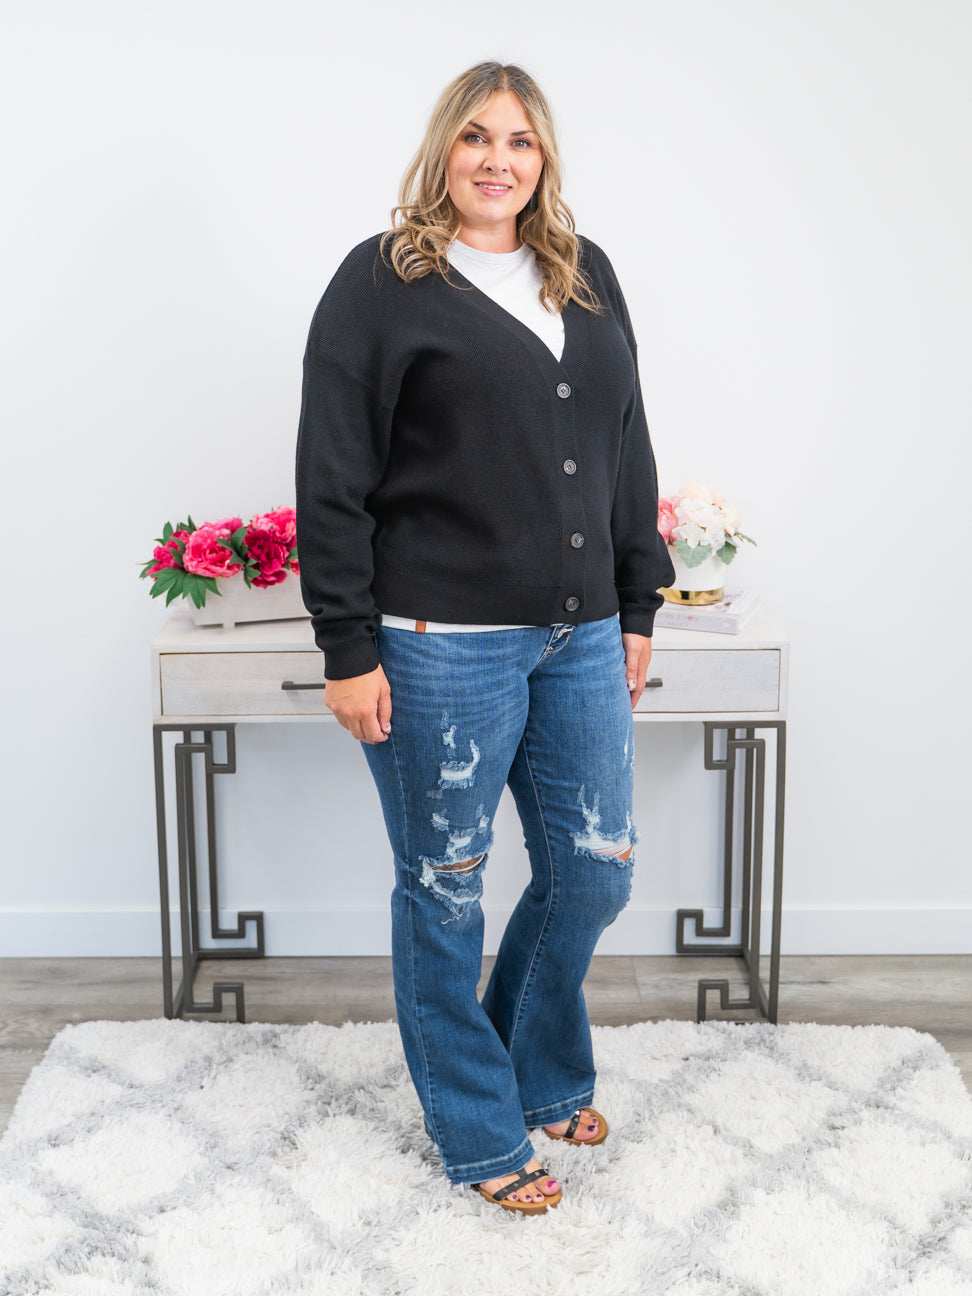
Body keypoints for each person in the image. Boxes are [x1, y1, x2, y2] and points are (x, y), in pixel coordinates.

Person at [294, 60, 675, 1215]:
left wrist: (638, 601)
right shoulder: (382, 281)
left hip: (580, 635)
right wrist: (347, 648)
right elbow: (332, 472)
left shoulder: (584, 272)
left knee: (594, 870)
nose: (495, 160)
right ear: (442, 151)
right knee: (445, 887)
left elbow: (626, 442)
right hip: (436, 643)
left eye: (518, 140)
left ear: (542, 158)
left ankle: (535, 1066)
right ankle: (477, 1128)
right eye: (474, 138)